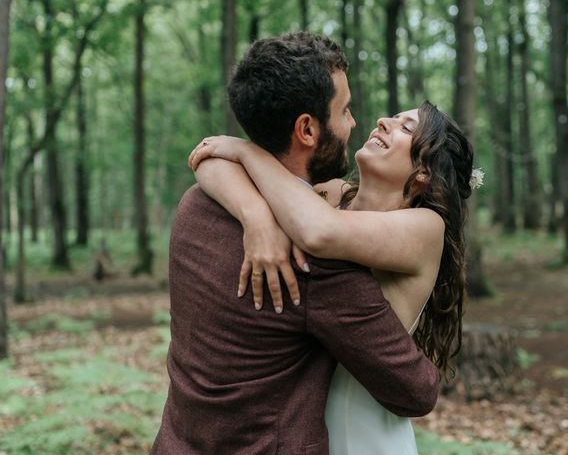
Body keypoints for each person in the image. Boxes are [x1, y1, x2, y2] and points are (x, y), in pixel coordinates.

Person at [150, 32, 440, 455]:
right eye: (344, 111)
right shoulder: (316, 264)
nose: (356, 123)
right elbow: (415, 392)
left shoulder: (195, 206)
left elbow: (209, 163)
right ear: (307, 129)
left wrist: (249, 180)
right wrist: (254, 213)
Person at [189, 100, 475, 454]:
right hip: (302, 416)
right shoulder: (334, 194)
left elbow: (319, 232)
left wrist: (247, 152)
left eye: (406, 128)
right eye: (393, 118)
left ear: (424, 173)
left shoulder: (425, 227)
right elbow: (209, 162)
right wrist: (254, 215)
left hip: (362, 426)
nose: (384, 121)